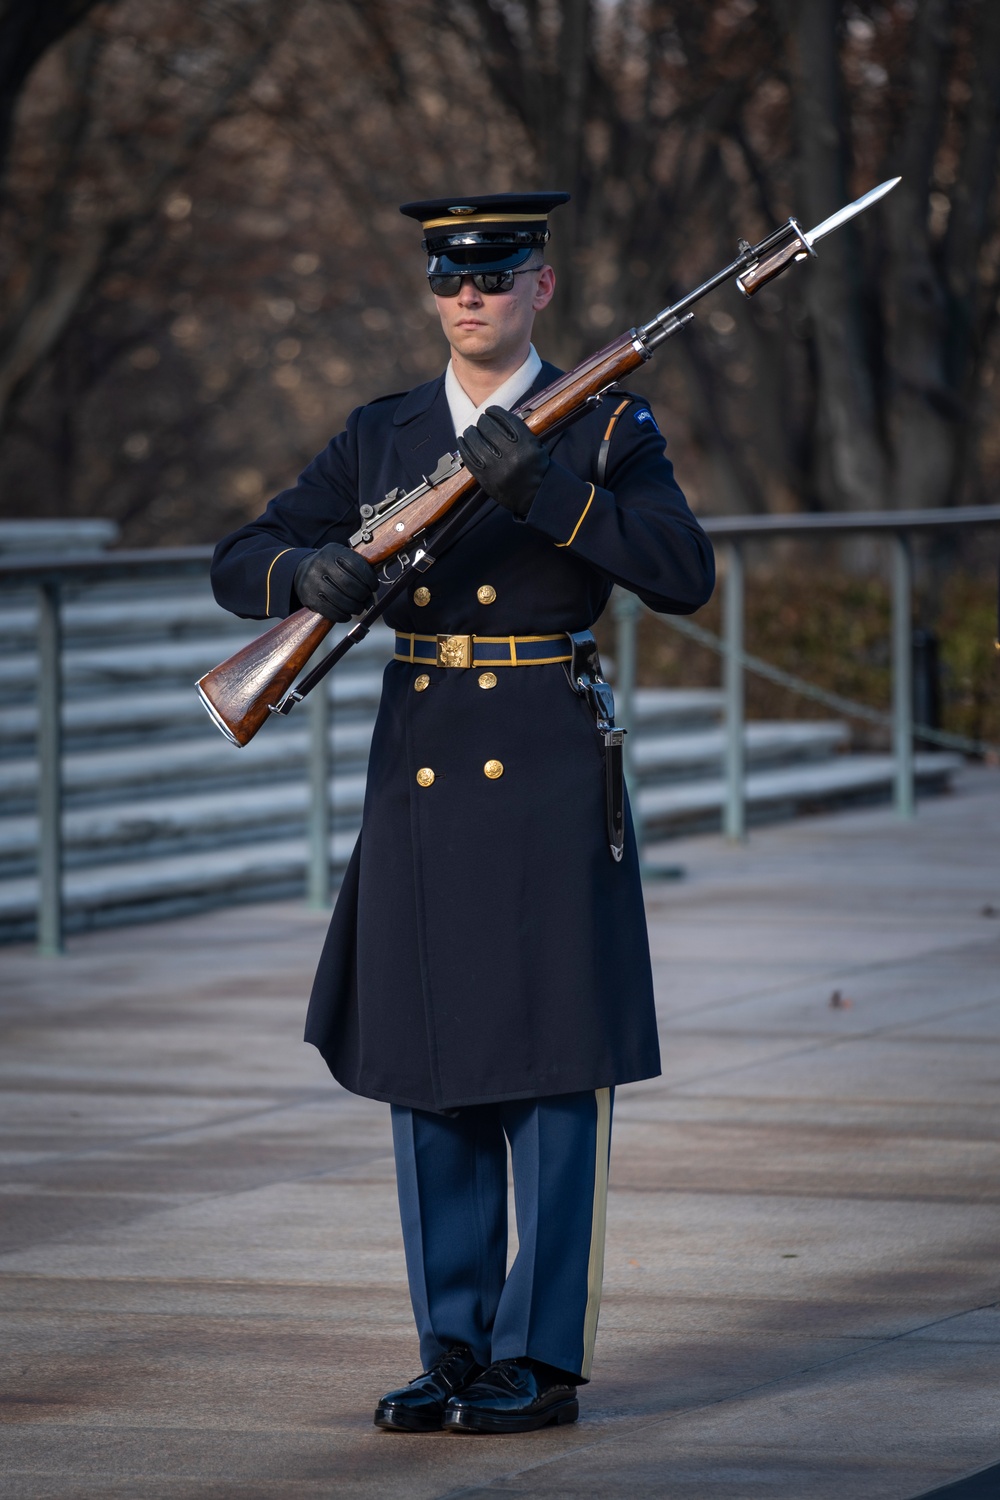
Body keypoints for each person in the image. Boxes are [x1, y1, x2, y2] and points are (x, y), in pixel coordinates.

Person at [211, 192, 714, 1434]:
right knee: (427, 1064)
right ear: (432, 291)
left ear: (542, 285)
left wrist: (547, 491)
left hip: (545, 757)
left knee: (550, 1067)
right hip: (423, 758)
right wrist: (304, 573)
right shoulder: (381, 435)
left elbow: (684, 575)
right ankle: (452, 1348)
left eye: (497, 271)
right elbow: (241, 557)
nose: (470, 292)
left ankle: (535, 1364)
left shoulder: (605, 425)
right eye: (450, 275)